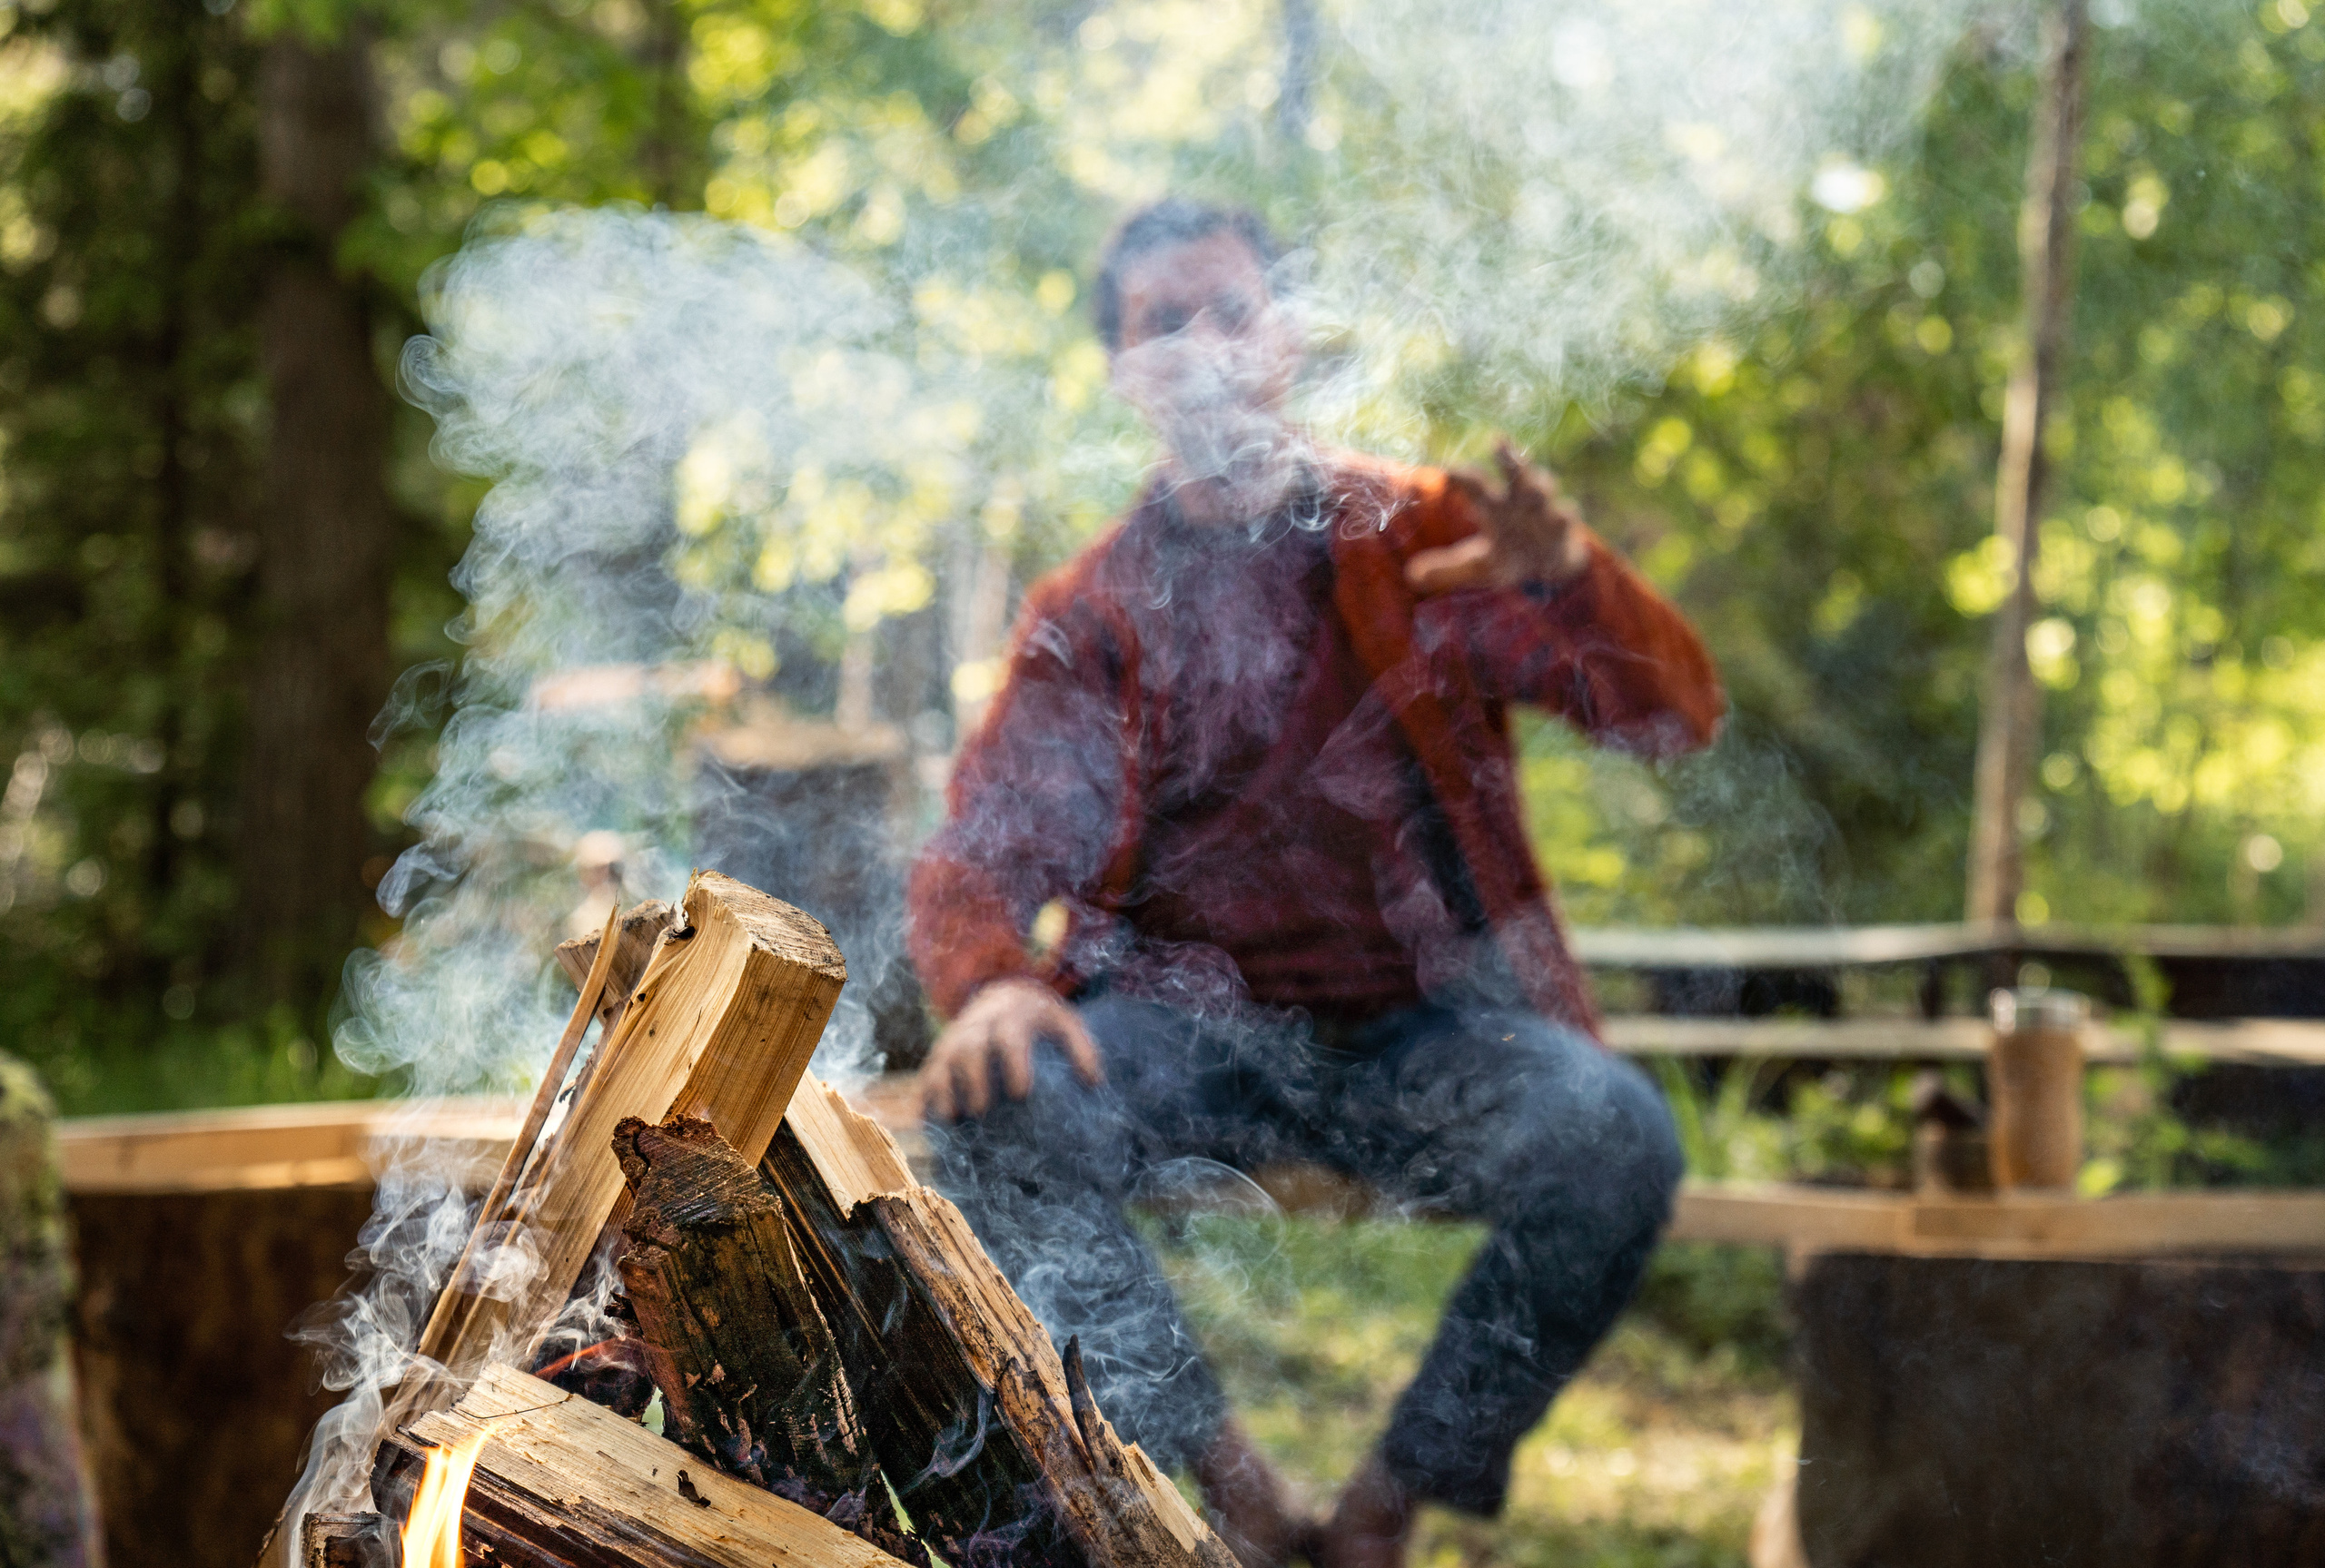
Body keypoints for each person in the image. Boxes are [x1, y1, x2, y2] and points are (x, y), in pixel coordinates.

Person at [905, 198, 1725, 1568]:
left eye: (1232, 310)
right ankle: (1230, 1491)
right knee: (994, 1116)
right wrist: (986, 987)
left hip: (1429, 1032)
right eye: (1163, 324)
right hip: (1180, 1034)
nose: (1205, 346)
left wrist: (1574, 579)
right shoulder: (1092, 606)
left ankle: (1382, 1512)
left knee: (1618, 1134)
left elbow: (1675, 713)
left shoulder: (1423, 534)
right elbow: (974, 856)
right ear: (1124, 370)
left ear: (1285, 336)